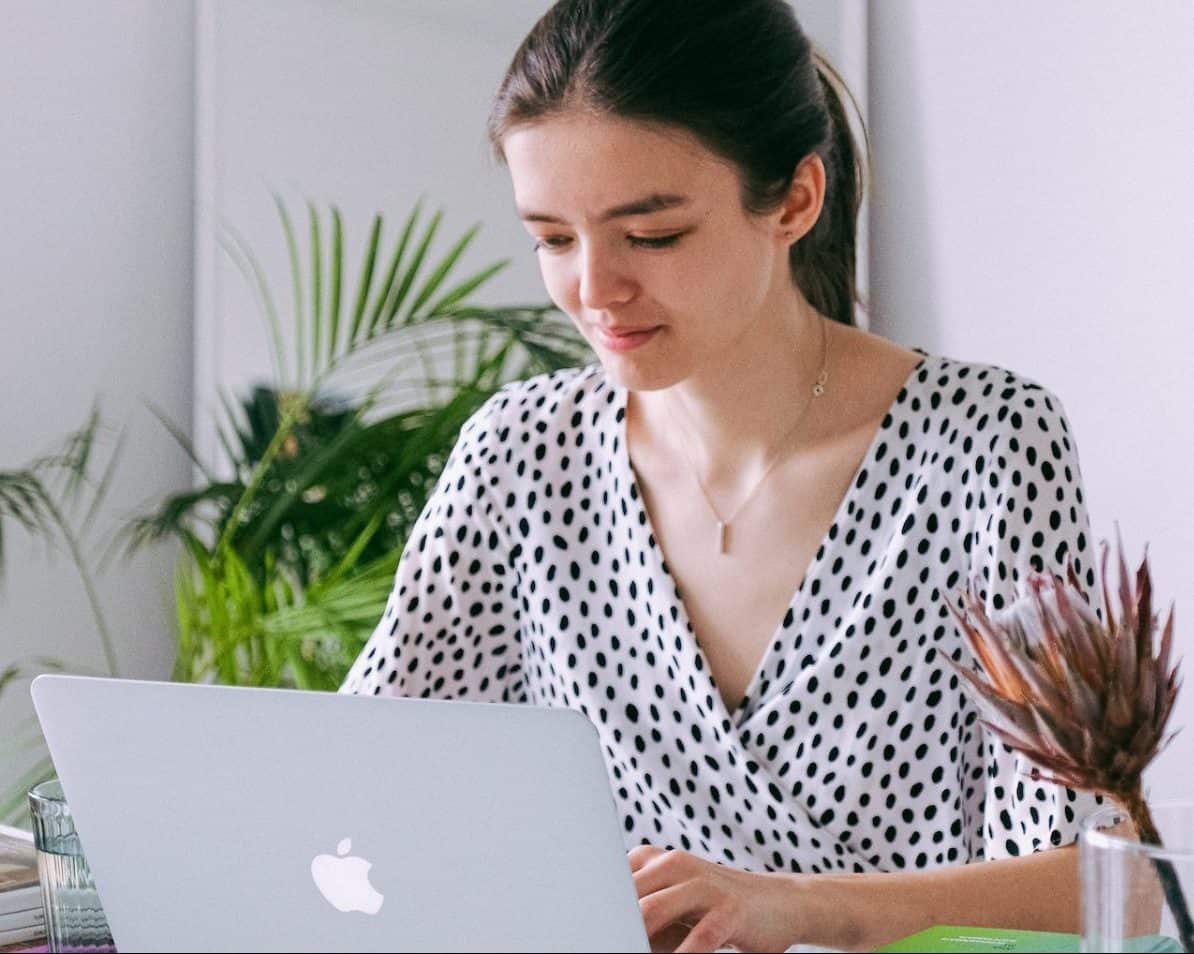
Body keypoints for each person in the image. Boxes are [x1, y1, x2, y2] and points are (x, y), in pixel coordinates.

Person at [340, 1, 1103, 950]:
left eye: (651, 236)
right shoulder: (518, 455)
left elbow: (1098, 882)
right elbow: (357, 784)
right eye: (552, 238)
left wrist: (802, 906)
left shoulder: (988, 444)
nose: (594, 289)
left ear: (794, 200)